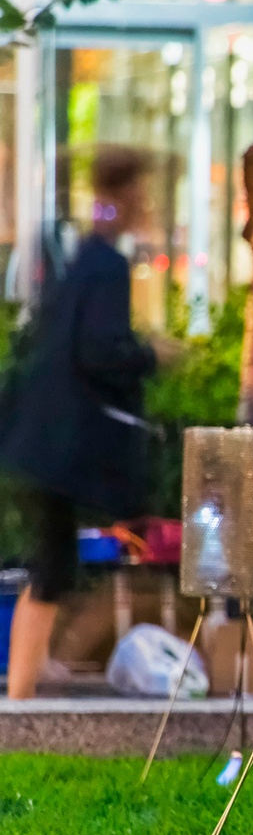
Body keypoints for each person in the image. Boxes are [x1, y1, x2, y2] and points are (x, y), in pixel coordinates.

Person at [0, 146, 181, 700]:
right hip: (58, 450)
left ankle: (37, 674)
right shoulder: (104, 264)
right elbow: (100, 351)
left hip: (40, 444)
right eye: (143, 193)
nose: (147, 204)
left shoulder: (82, 259)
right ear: (125, 196)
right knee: (68, 561)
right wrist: (150, 353)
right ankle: (23, 696)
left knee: (57, 561)